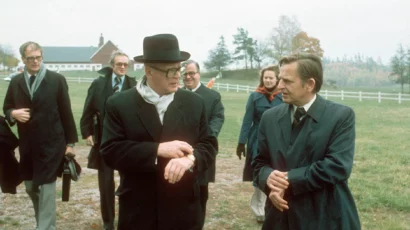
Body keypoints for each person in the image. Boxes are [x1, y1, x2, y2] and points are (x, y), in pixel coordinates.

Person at [100, 34, 217, 230]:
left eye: (178, 68)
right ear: (149, 71)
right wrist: (157, 150)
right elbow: (110, 151)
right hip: (138, 211)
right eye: (170, 70)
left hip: (184, 211)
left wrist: (190, 159)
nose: (177, 75)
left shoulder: (194, 103)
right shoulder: (120, 104)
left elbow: (209, 144)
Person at [253, 53, 361, 229]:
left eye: (287, 81)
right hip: (280, 218)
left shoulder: (340, 116)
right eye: (280, 79)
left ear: (310, 84)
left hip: (324, 217)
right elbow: (259, 163)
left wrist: (287, 179)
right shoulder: (269, 117)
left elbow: (337, 166)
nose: (279, 86)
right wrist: (268, 179)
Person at [3, 41, 78, 230]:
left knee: (46, 188)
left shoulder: (56, 80)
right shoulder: (15, 81)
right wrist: (13, 114)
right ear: (23, 59)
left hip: (52, 143)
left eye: (38, 57)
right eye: (31, 58)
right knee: (30, 187)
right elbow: (7, 107)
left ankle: (46, 227)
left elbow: (66, 113)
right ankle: (42, 222)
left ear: (42, 57)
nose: (35, 61)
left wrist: (71, 143)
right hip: (27, 145)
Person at [80, 50, 136, 230]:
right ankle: (108, 223)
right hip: (104, 141)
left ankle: (127, 221)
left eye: (125, 64)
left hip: (127, 143)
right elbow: (88, 110)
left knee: (128, 182)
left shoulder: (134, 85)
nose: (122, 67)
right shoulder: (98, 84)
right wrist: (87, 133)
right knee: (106, 184)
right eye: (119, 64)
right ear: (112, 65)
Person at [236, 65, 283, 223]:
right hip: (258, 139)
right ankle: (259, 209)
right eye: (265, 78)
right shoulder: (255, 97)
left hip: (278, 139)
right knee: (260, 171)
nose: (268, 80)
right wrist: (242, 142)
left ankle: (273, 204)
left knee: (276, 171)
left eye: (271, 77)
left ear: (277, 79)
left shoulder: (283, 97)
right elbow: (247, 120)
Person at [182, 60, 225, 227]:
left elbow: (217, 119)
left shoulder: (212, 96)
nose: (188, 77)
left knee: (200, 194)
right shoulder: (175, 94)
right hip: (179, 152)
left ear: (199, 74)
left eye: (191, 73)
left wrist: (205, 140)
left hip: (202, 153)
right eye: (185, 74)